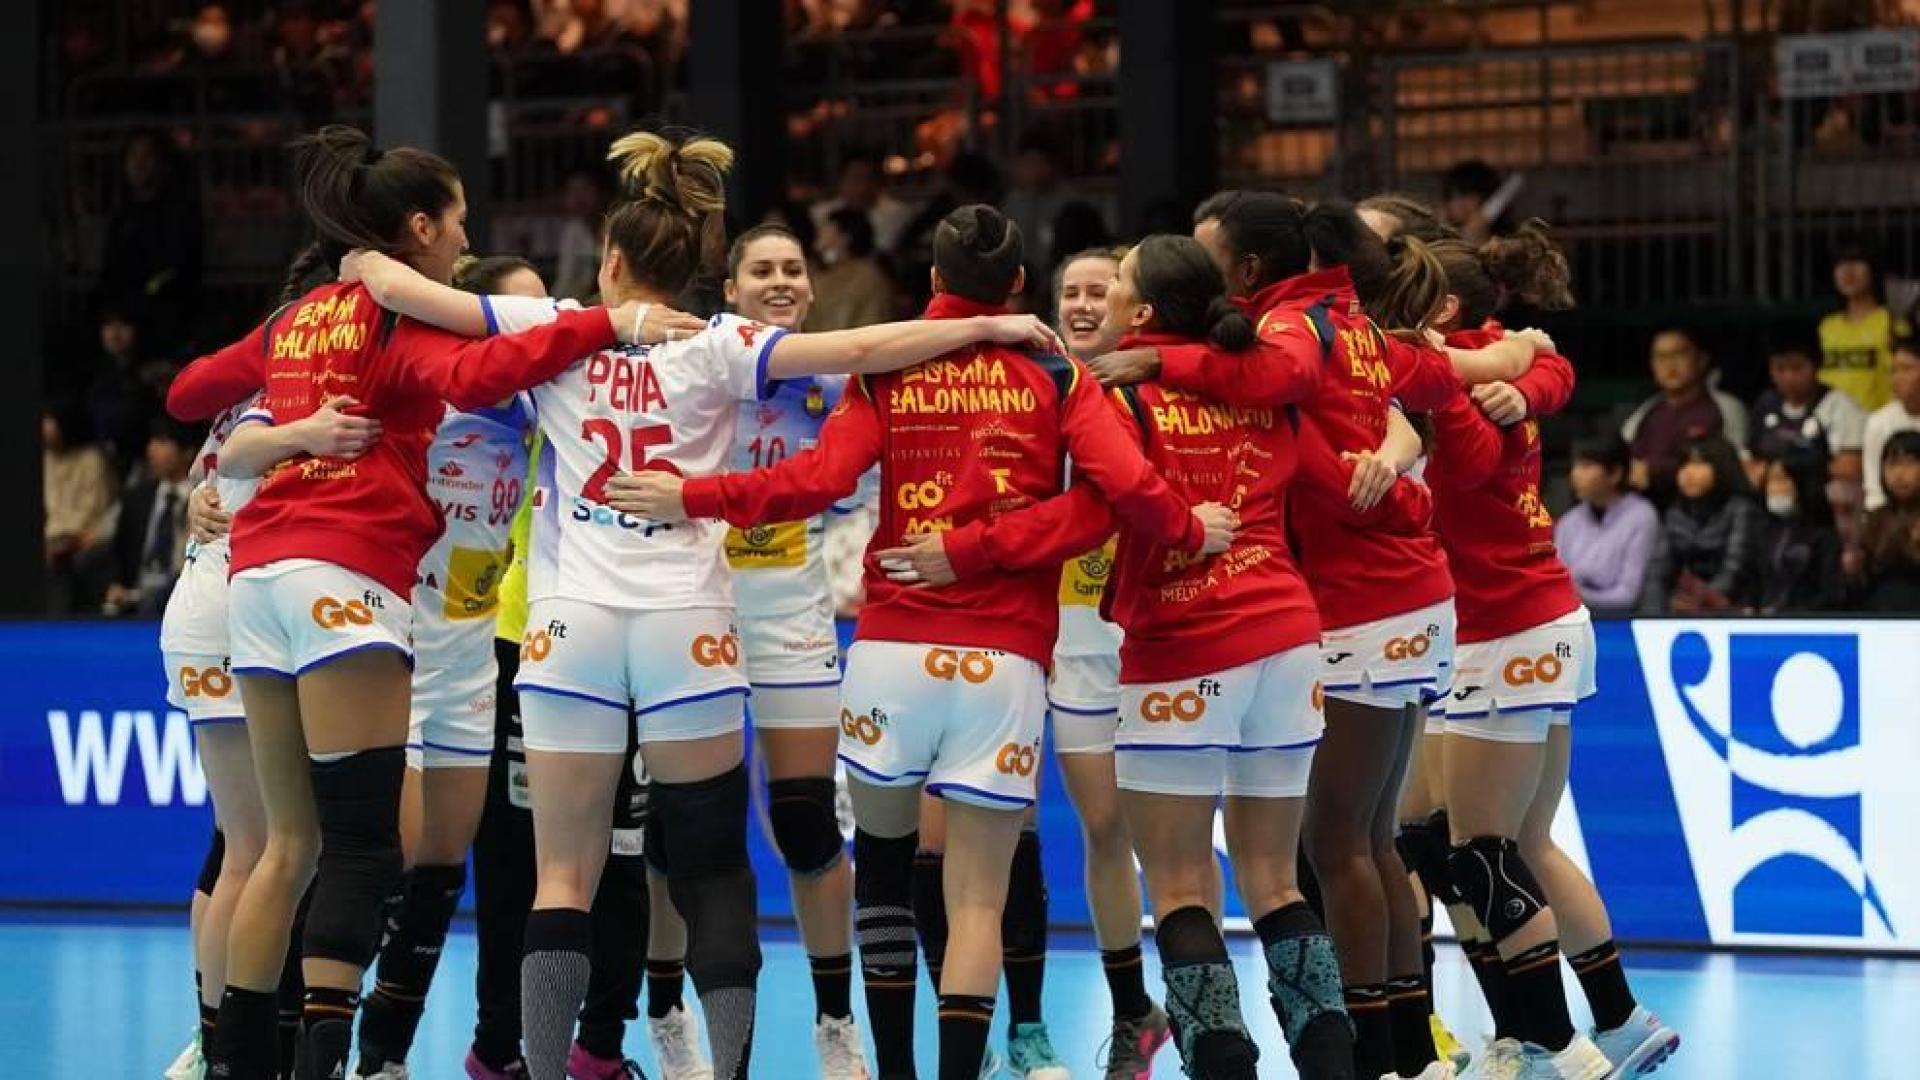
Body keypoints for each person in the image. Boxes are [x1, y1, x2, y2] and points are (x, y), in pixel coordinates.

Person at [346, 148, 1067, 1080]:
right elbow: (859, 351)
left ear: (609, 258)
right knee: (714, 868)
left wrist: (363, 263)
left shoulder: (560, 324)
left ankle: (540, 1062)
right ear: (700, 264)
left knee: (562, 875)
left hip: (571, 629)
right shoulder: (722, 342)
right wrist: (993, 324)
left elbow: (420, 298)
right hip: (689, 623)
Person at [611, 204, 1234, 1080]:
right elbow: (1125, 491)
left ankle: (888, 1069)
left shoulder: (893, 370)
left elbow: (815, 481)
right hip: (1004, 662)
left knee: (885, 873)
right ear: (1020, 286)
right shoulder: (1057, 376)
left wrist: (696, 496)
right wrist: (1185, 526)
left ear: (936, 285)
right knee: (977, 897)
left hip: (890, 652)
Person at [165, 123, 672, 1080]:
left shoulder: (299, 317)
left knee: (284, 847)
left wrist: (274, 424)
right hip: (344, 580)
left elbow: (192, 393)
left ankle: (237, 1063)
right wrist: (615, 321)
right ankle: (326, 1064)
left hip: (257, 584)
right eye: (459, 224)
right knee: (360, 852)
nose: (463, 239)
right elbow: (481, 372)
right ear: (421, 229)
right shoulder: (402, 322)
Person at [1088, 193, 1546, 1080]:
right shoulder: (1332, 328)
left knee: (1286, 860)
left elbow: (1292, 406)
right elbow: (1418, 392)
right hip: (1313, 625)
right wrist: (1512, 375)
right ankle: (1383, 1055)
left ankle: (1389, 1053)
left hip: (1285, 623)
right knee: (1324, 860)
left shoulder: (1280, 341)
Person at [1416, 227, 1676, 1080]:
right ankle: (1617, 1020)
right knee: (1518, 841)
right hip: (1526, 620)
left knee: (1481, 852)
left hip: (1504, 628)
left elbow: (1491, 436)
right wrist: (1521, 374)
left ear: (1440, 306)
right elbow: (1548, 359)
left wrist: (1494, 388)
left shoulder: (1466, 376)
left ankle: (1552, 1041)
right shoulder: (1498, 356)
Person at [634, 224, 872, 1080]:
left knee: (808, 824)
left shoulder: (841, 384)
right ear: (729, 290)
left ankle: (836, 1024)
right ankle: (664, 1012)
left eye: (793, 269)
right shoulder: (694, 362)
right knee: (679, 829)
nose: (780, 281)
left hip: (792, 624)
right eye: (761, 270)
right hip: (691, 613)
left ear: (811, 291)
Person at [453, 255, 666, 1080]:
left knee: (622, 854)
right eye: (522, 314)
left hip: (627, 642)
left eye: (550, 308)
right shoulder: (483, 398)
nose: (545, 324)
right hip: (523, 645)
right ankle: (498, 1049)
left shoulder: (584, 372)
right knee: (516, 864)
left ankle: (603, 1047)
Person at [349, 253, 543, 1080]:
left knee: (437, 877)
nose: (538, 329)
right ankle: (284, 1027)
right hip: (391, 656)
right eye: (517, 311)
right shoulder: (415, 395)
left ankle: (383, 1059)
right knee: (373, 870)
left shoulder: (543, 406)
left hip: (471, 670)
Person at [1042, 245, 1178, 1079]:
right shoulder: (1032, 388)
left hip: (1162, 640)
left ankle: (1201, 1000)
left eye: (1102, 291)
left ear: (1133, 306)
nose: (1086, 303)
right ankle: (1136, 1009)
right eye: (1073, 292)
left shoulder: (1162, 389)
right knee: (1104, 830)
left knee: (1178, 844)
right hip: (1071, 645)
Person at [156, 391, 267, 1080]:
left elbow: (210, 478)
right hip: (240, 621)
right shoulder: (287, 401)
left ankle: (213, 1040)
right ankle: (222, 1045)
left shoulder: (242, 402)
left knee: (236, 842)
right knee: (255, 849)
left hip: (206, 618)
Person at [1621, 329, 1748, 503]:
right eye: (1661, 357)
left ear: (1702, 360)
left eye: (1679, 354)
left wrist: (1654, 471)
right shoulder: (1644, 413)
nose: (1670, 365)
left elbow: (1733, 468)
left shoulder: (1725, 408)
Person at [1640, 436, 1764, 614]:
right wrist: (1653, 617)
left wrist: (1704, 604)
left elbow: (1735, 569)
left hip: (1733, 608)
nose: (1688, 473)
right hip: (1687, 607)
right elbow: (1657, 572)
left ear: (1722, 467)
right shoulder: (1675, 513)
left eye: (1698, 465)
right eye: (1684, 465)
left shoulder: (1742, 510)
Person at [96, 416, 200, 618]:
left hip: (183, 594)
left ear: (187, 452)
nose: (151, 449)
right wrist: (114, 584)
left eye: (161, 442)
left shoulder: (204, 498)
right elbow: (117, 550)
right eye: (151, 441)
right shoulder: (136, 498)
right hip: (136, 596)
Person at [1555, 435, 1660, 619]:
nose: (1575, 475)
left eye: (1586, 466)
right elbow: (1556, 583)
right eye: (1575, 466)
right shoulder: (1568, 522)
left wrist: (1576, 596)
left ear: (1615, 474)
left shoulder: (1642, 516)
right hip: (1573, 621)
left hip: (1622, 624)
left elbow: (1627, 595)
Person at [43, 401, 118, 615]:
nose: (44, 426)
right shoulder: (45, 460)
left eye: (50, 420)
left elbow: (92, 513)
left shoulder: (91, 460)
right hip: (51, 541)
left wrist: (60, 542)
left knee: (63, 562)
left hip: (86, 537)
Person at [1819, 243, 1910, 412]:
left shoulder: (1891, 323)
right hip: (1831, 423)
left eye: (1856, 262)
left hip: (1878, 420)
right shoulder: (1827, 327)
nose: (1848, 271)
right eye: (1840, 264)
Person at [1754, 451, 1845, 614]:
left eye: (1781, 480)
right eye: (1770, 481)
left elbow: (1831, 594)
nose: (1774, 489)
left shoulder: (1823, 535)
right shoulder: (1763, 530)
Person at [811, 150, 917, 253]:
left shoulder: (897, 214)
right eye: (856, 178)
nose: (863, 187)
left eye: (870, 179)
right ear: (841, 181)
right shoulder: (820, 214)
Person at [1860, 431, 1920, 611]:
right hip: (1879, 614)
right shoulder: (1876, 517)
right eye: (1893, 465)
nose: (1899, 474)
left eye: (1909, 463)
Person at [810, 208, 896, 331]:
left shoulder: (869, 278)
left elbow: (872, 324)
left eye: (826, 229)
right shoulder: (816, 274)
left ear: (845, 237)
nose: (819, 233)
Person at [1862, 339, 1920, 512]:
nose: (1897, 378)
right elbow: (1874, 488)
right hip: (1891, 516)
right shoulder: (1878, 422)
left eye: (1907, 369)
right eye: (1893, 370)